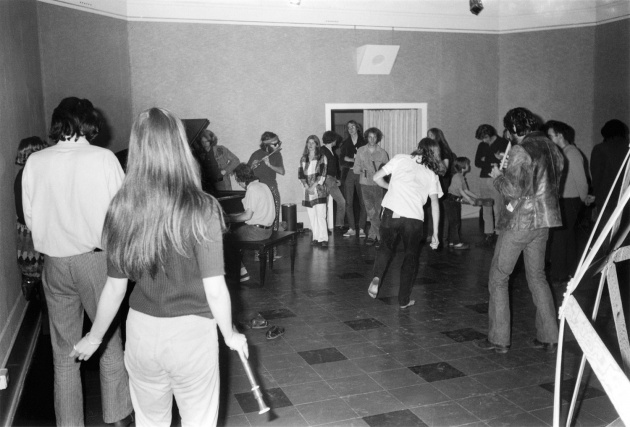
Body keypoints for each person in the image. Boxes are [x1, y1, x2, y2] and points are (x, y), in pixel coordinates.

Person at [70, 107, 248, 426]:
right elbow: (215, 289)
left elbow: (114, 287)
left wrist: (94, 337)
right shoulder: (201, 207)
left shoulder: (121, 207)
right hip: (192, 335)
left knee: (150, 421)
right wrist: (230, 333)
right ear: (180, 145)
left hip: (141, 334)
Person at [22, 97, 133, 426]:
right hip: (95, 263)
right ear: (89, 122)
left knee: (63, 353)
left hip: (53, 264)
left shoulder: (35, 162)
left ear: (59, 124)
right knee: (108, 342)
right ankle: (116, 418)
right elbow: (121, 216)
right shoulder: (103, 159)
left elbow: (29, 217)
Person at [473, 107, 564, 354]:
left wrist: (496, 176)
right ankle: (550, 336)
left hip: (520, 223)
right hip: (544, 222)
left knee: (499, 277)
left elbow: (512, 190)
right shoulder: (553, 147)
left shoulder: (520, 150)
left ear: (513, 129)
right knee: (537, 277)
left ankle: (498, 339)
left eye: (509, 131)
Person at [367, 137, 442, 308]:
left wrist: (391, 187)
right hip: (414, 218)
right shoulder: (431, 173)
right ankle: (403, 300)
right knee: (410, 257)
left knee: (386, 247)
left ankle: (377, 277)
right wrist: (436, 233)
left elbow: (376, 177)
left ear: (417, 148)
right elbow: (435, 203)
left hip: (392, 212)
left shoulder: (401, 158)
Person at [545, 120, 589, 284]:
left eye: (551, 136)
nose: (549, 139)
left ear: (560, 135)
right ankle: (569, 270)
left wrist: (584, 199)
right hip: (562, 200)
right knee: (566, 237)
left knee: (560, 238)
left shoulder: (572, 153)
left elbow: (581, 181)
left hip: (569, 201)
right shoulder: (562, 152)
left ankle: (559, 273)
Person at [226, 163, 276, 281]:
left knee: (226, 239)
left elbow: (247, 216)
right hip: (268, 230)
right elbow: (253, 213)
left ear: (240, 179)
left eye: (237, 181)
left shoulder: (252, 190)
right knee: (234, 233)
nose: (238, 184)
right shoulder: (263, 185)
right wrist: (233, 216)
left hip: (256, 232)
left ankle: (241, 273)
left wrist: (228, 218)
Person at [14, 136, 48, 301]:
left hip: (34, 230)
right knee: (39, 275)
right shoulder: (24, 177)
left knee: (44, 276)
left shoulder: (30, 175)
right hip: (31, 232)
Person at [590, 119, 629, 234]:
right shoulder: (628, 148)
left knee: (607, 233)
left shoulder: (600, 149)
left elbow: (597, 176)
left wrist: (594, 196)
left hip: (607, 197)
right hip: (626, 197)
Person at [474, 124, 510, 247]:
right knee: (486, 208)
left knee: (498, 209)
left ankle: (499, 235)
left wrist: (487, 160)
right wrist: (492, 160)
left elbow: (506, 162)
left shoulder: (504, 143)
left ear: (489, 135)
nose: (483, 141)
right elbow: (477, 162)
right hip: (483, 178)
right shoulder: (481, 145)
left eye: (484, 138)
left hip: (497, 178)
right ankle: (488, 234)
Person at [353, 127, 389, 245]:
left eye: (374, 137)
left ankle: (373, 235)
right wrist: (363, 169)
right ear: (366, 138)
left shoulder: (383, 153)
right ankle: (380, 236)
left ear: (377, 138)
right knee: (370, 211)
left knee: (378, 211)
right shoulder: (361, 151)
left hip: (379, 185)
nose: (372, 139)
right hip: (365, 184)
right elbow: (355, 169)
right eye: (370, 137)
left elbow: (387, 170)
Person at [247, 132, 285, 231]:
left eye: (278, 143)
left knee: (275, 216)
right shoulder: (256, 154)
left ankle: (275, 239)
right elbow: (245, 174)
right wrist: (252, 167)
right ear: (266, 145)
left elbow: (281, 171)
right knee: (260, 216)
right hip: (258, 191)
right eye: (275, 144)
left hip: (272, 188)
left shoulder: (277, 154)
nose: (278, 145)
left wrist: (270, 165)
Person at [299, 135, 329, 247]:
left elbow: (322, 174)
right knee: (312, 215)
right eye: (308, 142)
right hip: (307, 190)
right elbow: (300, 175)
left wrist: (313, 187)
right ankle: (316, 237)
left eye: (313, 142)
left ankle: (323, 238)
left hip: (319, 189)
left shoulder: (322, 157)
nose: (310, 145)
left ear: (317, 144)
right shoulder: (303, 158)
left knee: (321, 215)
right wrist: (307, 187)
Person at [339, 120, 367, 238]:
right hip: (349, 174)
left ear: (357, 128)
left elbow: (366, 160)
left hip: (361, 173)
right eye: (349, 127)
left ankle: (361, 228)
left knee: (363, 202)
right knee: (349, 202)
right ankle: (352, 228)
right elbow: (342, 160)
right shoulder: (345, 143)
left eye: (353, 127)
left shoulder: (364, 142)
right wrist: (354, 160)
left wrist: (349, 159)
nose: (351, 129)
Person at [425, 127, 454, 244]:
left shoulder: (443, 149)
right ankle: (431, 233)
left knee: (440, 208)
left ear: (436, 136)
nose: (428, 137)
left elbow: (445, 169)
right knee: (430, 207)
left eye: (430, 135)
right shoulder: (431, 148)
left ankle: (442, 236)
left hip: (441, 181)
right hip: (433, 179)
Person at [444, 157, 478, 250]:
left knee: (455, 222)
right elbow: (461, 191)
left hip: (455, 201)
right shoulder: (457, 177)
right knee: (455, 222)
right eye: (468, 164)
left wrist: (477, 197)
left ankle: (452, 241)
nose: (469, 166)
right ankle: (456, 243)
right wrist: (469, 200)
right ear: (463, 166)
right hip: (450, 201)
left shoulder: (461, 176)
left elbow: (466, 190)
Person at [322, 131, 347, 232]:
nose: (337, 141)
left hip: (331, 179)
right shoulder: (322, 150)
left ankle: (339, 224)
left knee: (341, 202)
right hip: (326, 179)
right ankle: (326, 227)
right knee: (324, 204)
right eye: (335, 139)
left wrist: (337, 179)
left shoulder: (331, 151)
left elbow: (333, 168)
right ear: (332, 139)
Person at [196, 130, 222, 195]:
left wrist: (226, 170)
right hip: (206, 185)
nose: (204, 144)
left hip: (220, 182)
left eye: (206, 141)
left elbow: (235, 160)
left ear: (211, 141)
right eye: (202, 142)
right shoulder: (199, 153)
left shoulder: (220, 149)